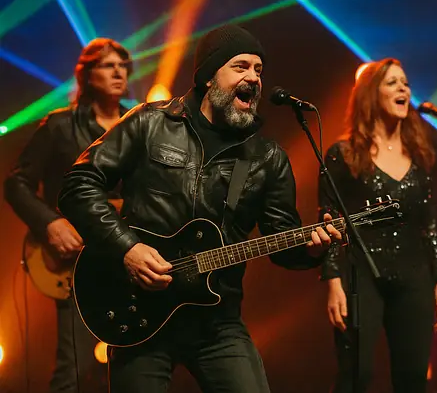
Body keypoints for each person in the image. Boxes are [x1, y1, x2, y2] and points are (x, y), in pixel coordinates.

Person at [57, 24, 341, 393]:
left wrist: (311, 250)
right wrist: (127, 247)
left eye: (259, 70)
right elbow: (78, 185)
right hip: (138, 308)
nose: (253, 78)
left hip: (217, 321)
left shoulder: (267, 158)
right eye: (241, 66)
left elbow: (281, 240)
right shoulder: (150, 122)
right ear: (209, 77)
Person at [4, 38, 132, 393]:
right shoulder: (59, 126)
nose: (119, 71)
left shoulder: (139, 123)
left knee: (134, 366)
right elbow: (17, 184)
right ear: (88, 75)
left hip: (127, 260)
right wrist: (50, 223)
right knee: (74, 370)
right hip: (77, 265)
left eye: (123, 65)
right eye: (108, 65)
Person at [319, 57, 437, 393]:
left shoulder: (420, 152)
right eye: (392, 82)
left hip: (414, 276)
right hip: (361, 273)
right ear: (370, 95)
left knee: (412, 379)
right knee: (356, 376)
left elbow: (429, 223)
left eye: (405, 82)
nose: (403, 88)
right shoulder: (344, 153)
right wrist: (333, 280)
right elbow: (329, 219)